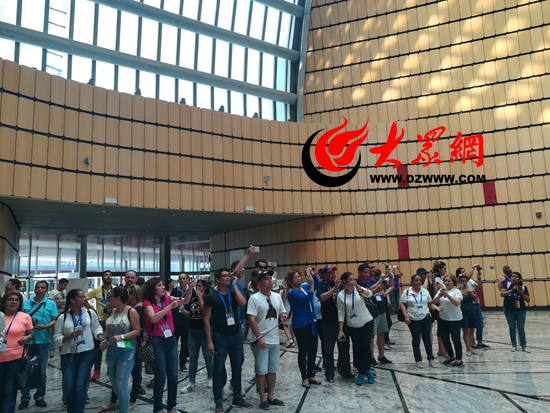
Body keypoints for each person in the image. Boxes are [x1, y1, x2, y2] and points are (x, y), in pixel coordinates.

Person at [204, 246, 255, 413]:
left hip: (236, 335)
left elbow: (243, 304)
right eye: (225, 276)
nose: (228, 277)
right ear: (218, 279)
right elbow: (206, 320)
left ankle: (237, 397)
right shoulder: (211, 297)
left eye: (229, 275)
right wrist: (209, 341)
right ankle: (218, 401)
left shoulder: (233, 292)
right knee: (218, 369)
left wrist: (234, 284)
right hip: (219, 337)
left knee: (237, 366)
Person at [54, 289, 105, 413]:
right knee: (69, 387)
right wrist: (69, 336)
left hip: (86, 353)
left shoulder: (90, 313)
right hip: (68, 355)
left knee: (80, 385)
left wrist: (100, 335)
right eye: (81, 297)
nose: (84, 299)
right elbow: (57, 338)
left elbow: (96, 327)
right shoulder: (62, 317)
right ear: (72, 300)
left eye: (84, 297)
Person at [247, 270, 287, 409]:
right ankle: (262, 398)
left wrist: (283, 315)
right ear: (259, 284)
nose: (270, 280)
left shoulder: (277, 297)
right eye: (266, 279)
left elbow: (282, 311)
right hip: (261, 340)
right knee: (261, 370)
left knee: (272, 369)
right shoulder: (254, 298)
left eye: (270, 278)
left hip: (274, 340)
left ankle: (271, 395)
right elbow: (251, 319)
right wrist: (259, 337)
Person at [143, 277, 183, 413]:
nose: (163, 287)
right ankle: (158, 407)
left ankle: (172, 406)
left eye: (162, 285)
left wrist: (190, 289)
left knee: (173, 376)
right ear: (153, 288)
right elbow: (153, 318)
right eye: (159, 285)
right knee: (160, 377)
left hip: (171, 340)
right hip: (157, 342)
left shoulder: (166, 298)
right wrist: (170, 307)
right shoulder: (147, 303)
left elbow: (184, 300)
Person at [100, 287, 140, 413]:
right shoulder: (112, 311)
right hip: (111, 351)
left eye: (110, 297)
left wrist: (122, 337)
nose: (109, 299)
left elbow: (137, 331)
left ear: (117, 298)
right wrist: (104, 339)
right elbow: (108, 329)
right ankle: (123, 404)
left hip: (126, 351)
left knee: (121, 383)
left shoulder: (131, 311)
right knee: (114, 383)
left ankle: (124, 410)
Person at [19, 281, 58, 409]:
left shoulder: (51, 304)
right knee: (25, 369)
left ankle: (40, 397)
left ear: (46, 290)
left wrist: (45, 327)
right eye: (38, 287)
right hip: (26, 341)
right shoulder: (25, 303)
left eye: (42, 288)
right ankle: (25, 397)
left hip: (43, 340)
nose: (40, 289)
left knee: (41, 371)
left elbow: (54, 320)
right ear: (34, 289)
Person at [337, 272, 375, 386]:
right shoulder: (340, 296)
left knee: (365, 346)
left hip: (366, 321)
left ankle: (368, 370)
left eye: (354, 279)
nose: (353, 282)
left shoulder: (358, 289)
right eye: (351, 280)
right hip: (353, 325)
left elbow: (370, 294)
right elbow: (341, 313)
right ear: (344, 282)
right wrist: (340, 330)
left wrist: (362, 290)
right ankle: (361, 372)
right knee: (357, 348)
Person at [316, 265, 352, 382]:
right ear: (325, 275)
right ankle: (329, 373)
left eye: (334, 273)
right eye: (330, 273)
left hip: (342, 321)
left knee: (344, 348)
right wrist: (334, 289)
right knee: (329, 349)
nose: (333, 275)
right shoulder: (321, 286)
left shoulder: (341, 285)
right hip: (329, 322)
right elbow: (322, 298)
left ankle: (345, 370)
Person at [286, 267, 321, 388]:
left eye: (298, 276)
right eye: (295, 277)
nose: (298, 278)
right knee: (303, 350)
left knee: (313, 349)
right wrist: (311, 284)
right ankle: (304, 377)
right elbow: (308, 298)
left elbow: (316, 284)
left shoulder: (303, 287)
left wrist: (312, 274)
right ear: (290, 280)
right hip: (301, 323)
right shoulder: (291, 292)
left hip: (311, 321)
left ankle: (310, 374)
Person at [0, 291, 34, 413]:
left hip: (15, 358)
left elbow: (31, 334)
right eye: (10, 299)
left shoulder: (24, 317)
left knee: (9, 388)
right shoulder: (0, 316)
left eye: (17, 300)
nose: (14, 302)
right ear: (4, 303)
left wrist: (27, 338)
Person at [179, 279, 213, 394]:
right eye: (196, 286)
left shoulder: (208, 298)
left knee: (207, 356)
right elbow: (191, 314)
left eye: (200, 286)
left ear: (205, 287)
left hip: (204, 331)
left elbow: (205, 313)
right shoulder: (193, 299)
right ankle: (191, 381)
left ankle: (210, 377)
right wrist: (183, 310)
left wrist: (200, 297)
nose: (198, 288)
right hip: (193, 331)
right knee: (193, 358)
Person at [400, 271, 440, 368]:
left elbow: (430, 304)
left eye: (420, 280)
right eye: (416, 280)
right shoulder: (407, 292)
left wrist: (437, 308)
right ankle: (418, 359)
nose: (418, 282)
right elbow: (402, 304)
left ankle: (431, 358)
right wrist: (405, 316)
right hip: (412, 319)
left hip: (425, 317)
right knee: (416, 339)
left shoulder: (425, 291)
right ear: (412, 282)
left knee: (427, 339)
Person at [85, 270, 114, 380]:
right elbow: (84, 299)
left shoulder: (115, 289)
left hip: (113, 320)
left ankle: (110, 368)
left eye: (110, 275)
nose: (108, 276)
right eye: (106, 275)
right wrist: (92, 309)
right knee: (98, 347)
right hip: (100, 321)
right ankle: (97, 370)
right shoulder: (97, 290)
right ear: (102, 278)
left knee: (112, 345)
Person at [432, 274, 464, 367]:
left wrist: (447, 295)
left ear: (453, 282)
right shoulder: (441, 290)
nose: (447, 283)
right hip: (443, 318)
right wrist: (440, 295)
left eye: (449, 281)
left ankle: (459, 359)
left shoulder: (457, 291)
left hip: (455, 319)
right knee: (444, 338)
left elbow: (457, 303)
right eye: (445, 281)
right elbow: (434, 302)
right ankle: (451, 356)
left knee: (455, 339)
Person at [501, 272, 530, 352]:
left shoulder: (523, 287)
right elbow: (502, 294)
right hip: (509, 310)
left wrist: (521, 293)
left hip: (520, 310)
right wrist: (511, 290)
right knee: (512, 327)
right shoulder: (507, 285)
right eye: (512, 276)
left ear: (519, 279)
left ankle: (523, 345)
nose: (514, 278)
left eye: (516, 276)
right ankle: (513, 345)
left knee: (521, 327)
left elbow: (528, 300)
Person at [171, 273, 193, 372]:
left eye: (184, 278)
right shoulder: (174, 291)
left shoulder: (192, 291)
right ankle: (172, 364)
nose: (182, 280)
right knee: (173, 344)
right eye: (180, 279)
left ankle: (182, 364)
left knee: (185, 344)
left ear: (188, 280)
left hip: (186, 322)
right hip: (175, 321)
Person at [456, 268, 479, 357]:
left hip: (471, 311)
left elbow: (476, 300)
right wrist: (462, 293)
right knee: (466, 330)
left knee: (472, 330)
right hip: (463, 312)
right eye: (462, 281)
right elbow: (456, 301)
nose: (464, 283)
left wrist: (472, 294)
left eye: (465, 281)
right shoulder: (458, 290)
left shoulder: (470, 288)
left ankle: (470, 347)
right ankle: (468, 348)